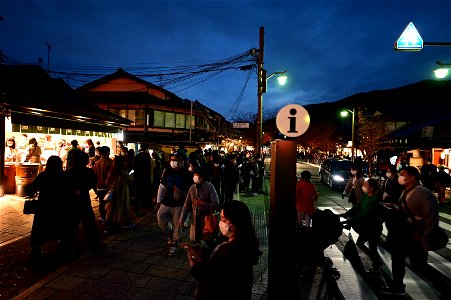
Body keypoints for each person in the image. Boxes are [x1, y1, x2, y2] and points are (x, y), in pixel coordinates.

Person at [380, 166, 440, 296]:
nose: (399, 177)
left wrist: (425, 238)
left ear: (411, 177)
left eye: (402, 174)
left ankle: (444, 286)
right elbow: (405, 209)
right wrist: (394, 206)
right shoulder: (406, 191)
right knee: (397, 259)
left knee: (419, 266)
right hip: (405, 234)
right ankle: (397, 286)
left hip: (417, 236)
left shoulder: (422, 193)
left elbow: (431, 217)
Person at [186, 200, 261, 300]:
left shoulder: (239, 252)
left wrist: (195, 266)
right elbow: (215, 256)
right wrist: (204, 253)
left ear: (237, 222)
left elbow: (215, 282)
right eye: (220, 218)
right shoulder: (225, 238)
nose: (221, 223)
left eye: (224, 220)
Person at [26, 156, 70, 261]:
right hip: (59, 204)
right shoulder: (63, 176)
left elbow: (32, 188)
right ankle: (63, 244)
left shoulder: (43, 175)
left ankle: (35, 248)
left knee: (40, 226)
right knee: (60, 224)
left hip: (44, 204)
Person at [342, 178, 383, 275]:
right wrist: (347, 213)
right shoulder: (365, 196)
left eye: (365, 184)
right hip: (366, 226)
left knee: (372, 247)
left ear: (372, 188)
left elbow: (366, 214)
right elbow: (357, 207)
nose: (363, 186)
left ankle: (376, 265)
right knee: (360, 243)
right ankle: (376, 262)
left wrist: (352, 219)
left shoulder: (375, 199)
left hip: (374, 227)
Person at [65, 150, 102, 253]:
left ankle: (68, 247)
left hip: (71, 202)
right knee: (90, 224)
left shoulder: (68, 173)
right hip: (84, 200)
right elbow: (94, 183)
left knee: (72, 226)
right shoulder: (88, 172)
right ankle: (94, 244)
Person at [156, 152, 191, 255]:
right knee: (161, 220)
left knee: (178, 226)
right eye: (172, 160)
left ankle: (174, 243)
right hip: (166, 202)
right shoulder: (166, 171)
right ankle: (170, 232)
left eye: (176, 160)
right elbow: (161, 186)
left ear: (182, 162)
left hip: (179, 205)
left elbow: (190, 190)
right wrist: (158, 201)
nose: (173, 162)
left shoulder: (187, 174)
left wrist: (181, 193)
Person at [180, 168, 220, 246]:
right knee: (195, 240)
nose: (194, 177)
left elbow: (216, 205)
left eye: (197, 176)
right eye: (194, 175)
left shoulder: (209, 187)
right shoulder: (192, 188)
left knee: (209, 241)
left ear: (202, 177)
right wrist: (182, 219)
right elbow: (187, 205)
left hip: (207, 219)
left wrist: (203, 203)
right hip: (195, 218)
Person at [104, 155, 135, 234]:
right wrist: (130, 174)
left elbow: (107, 182)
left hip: (112, 193)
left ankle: (109, 226)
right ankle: (123, 223)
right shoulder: (123, 173)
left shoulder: (111, 171)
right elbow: (131, 181)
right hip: (122, 194)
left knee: (111, 209)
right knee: (122, 208)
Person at [92, 146, 113, 222]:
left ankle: (103, 217)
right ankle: (109, 217)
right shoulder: (110, 163)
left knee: (101, 203)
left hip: (99, 186)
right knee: (110, 203)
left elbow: (94, 176)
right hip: (108, 187)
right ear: (107, 153)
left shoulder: (97, 163)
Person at [132, 142, 153, 214]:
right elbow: (148, 169)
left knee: (137, 195)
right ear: (147, 148)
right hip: (145, 178)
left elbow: (133, 168)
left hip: (137, 178)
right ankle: (150, 208)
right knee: (148, 193)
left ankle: (137, 210)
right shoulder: (147, 157)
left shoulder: (137, 156)